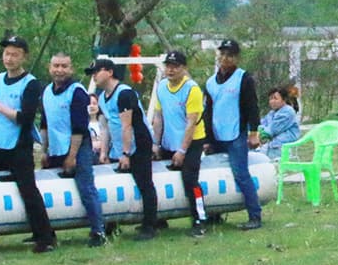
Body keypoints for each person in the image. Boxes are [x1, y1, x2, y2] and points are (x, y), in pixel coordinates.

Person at [0, 34, 59, 254]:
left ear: (24, 57)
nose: (9, 58)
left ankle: (45, 236)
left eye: (15, 55)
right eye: (7, 54)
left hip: (18, 145)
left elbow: (25, 118)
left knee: (28, 190)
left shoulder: (31, 84)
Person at [92, 57, 158, 240]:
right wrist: (104, 152)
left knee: (144, 183)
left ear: (110, 72)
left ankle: (150, 225)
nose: (94, 76)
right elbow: (104, 127)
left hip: (138, 145)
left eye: (97, 72)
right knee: (116, 184)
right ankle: (112, 224)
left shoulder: (124, 94)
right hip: (119, 146)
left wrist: (126, 153)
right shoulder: (102, 98)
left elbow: (127, 126)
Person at [42, 53, 104, 247]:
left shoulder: (77, 92)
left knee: (86, 188)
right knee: (48, 189)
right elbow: (44, 124)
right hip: (55, 148)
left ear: (71, 69)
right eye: (56, 66)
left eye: (64, 66)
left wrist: (72, 156)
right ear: (50, 68)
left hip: (78, 147)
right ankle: (46, 233)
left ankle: (98, 231)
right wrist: (44, 151)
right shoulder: (46, 92)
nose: (59, 70)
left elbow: (79, 128)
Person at [203, 39, 264, 231]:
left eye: (230, 55)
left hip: (236, 133)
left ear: (236, 58)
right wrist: (207, 139)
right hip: (216, 135)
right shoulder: (210, 83)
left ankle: (255, 216)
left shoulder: (243, 78)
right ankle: (214, 214)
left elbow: (252, 107)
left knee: (241, 174)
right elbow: (208, 112)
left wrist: (253, 133)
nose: (225, 58)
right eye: (222, 54)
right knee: (213, 175)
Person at [149, 50, 208, 238]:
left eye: (175, 66)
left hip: (192, 141)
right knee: (159, 176)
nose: (171, 70)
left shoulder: (192, 89)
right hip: (169, 140)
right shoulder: (162, 87)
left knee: (190, 179)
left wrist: (182, 150)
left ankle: (199, 218)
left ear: (183, 68)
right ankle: (160, 218)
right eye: (168, 66)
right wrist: (155, 144)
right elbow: (158, 117)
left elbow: (191, 123)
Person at [257, 86, 301, 160]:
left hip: (282, 148)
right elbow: (260, 124)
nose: (272, 101)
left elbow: (272, 130)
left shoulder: (287, 111)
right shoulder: (272, 113)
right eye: (270, 99)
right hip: (272, 146)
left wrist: (259, 132)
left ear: (284, 99)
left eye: (275, 98)